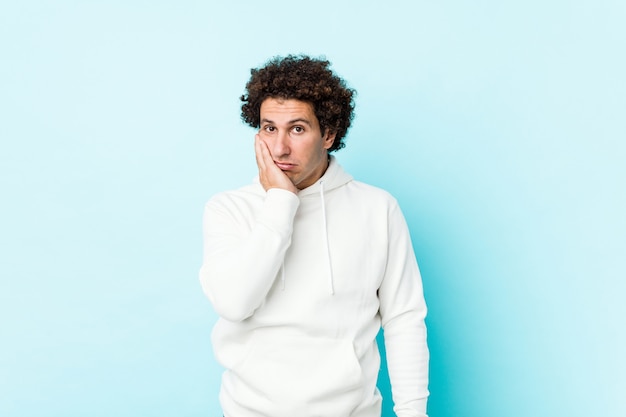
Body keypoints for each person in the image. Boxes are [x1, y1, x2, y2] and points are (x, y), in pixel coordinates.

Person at [199, 55, 429, 417]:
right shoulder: (230, 209)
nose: (279, 149)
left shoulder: (377, 209)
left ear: (329, 135)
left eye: (297, 129)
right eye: (269, 128)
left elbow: (404, 319)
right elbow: (233, 303)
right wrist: (280, 202)